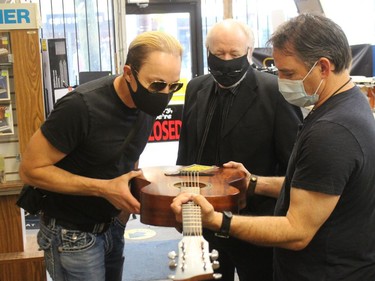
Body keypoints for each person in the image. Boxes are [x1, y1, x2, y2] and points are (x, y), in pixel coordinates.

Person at [172, 14, 375, 281]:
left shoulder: (333, 131)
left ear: (323, 67)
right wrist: (253, 182)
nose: (281, 79)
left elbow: (296, 231)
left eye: (288, 73)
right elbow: (309, 183)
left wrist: (219, 221)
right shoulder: (345, 106)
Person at [18, 31, 183, 281]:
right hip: (72, 233)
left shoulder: (147, 105)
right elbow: (30, 169)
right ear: (128, 73)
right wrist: (104, 188)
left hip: (113, 225)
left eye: (174, 85)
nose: (165, 93)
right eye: (157, 85)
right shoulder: (80, 107)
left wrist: (125, 206)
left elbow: (129, 156)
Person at [176, 19, 303, 281]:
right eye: (218, 54)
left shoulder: (276, 93)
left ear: (248, 51)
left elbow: (294, 167)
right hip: (202, 222)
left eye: (234, 54)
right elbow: (186, 153)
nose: (226, 60)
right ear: (207, 52)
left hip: (255, 224)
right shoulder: (196, 88)